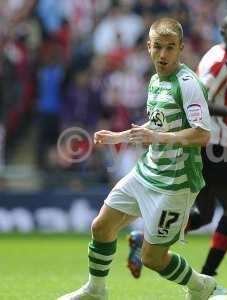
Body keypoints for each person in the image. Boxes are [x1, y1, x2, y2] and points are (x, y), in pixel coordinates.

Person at [57, 17, 217, 300]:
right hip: (147, 172)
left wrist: (160, 138)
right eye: (158, 47)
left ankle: (199, 285)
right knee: (101, 226)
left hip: (175, 183)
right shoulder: (155, 80)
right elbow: (157, 126)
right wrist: (118, 137)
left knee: (153, 258)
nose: (163, 54)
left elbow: (202, 135)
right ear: (148, 47)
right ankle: (96, 290)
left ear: (181, 47)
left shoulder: (188, 84)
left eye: (170, 47)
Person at [127, 13, 227, 286]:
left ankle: (144, 239)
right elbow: (201, 97)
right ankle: (209, 276)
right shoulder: (221, 62)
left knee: (207, 214)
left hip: (209, 145)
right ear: (222, 31)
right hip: (215, 145)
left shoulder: (224, 58)